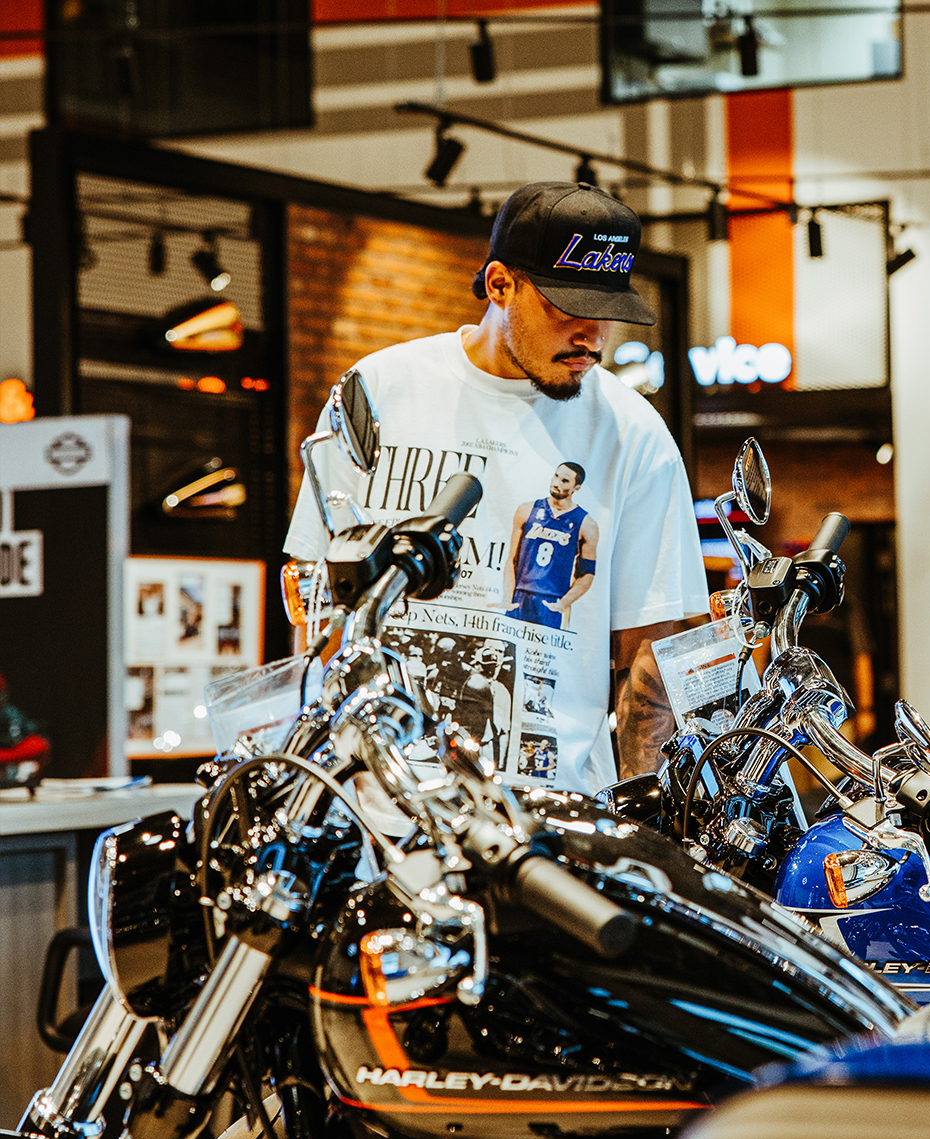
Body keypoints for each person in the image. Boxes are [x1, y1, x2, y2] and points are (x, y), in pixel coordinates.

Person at [284, 181, 707, 793]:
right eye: (568, 309)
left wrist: (645, 813)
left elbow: (652, 647)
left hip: (549, 810)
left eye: (607, 314)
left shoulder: (633, 433)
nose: (592, 337)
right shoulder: (379, 389)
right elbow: (316, 592)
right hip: (372, 801)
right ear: (501, 284)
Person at [501, 461, 600, 629]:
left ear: (576, 488)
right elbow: (512, 560)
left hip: (551, 600)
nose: (556, 483)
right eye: (556, 476)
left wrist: (562, 604)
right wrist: (507, 598)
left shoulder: (586, 524)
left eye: (565, 481)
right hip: (520, 595)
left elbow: (587, 574)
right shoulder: (526, 510)